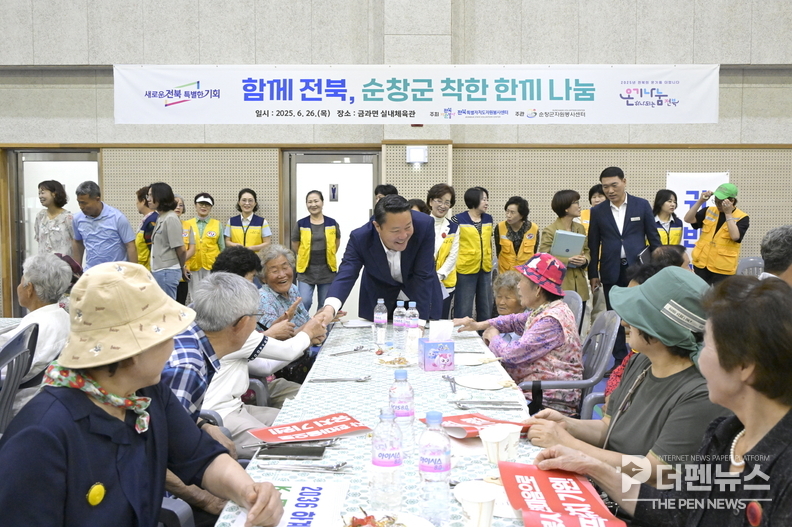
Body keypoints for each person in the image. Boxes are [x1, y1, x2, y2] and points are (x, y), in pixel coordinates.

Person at [0, 262, 284, 527]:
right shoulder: (41, 436)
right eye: (167, 336)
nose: (174, 346)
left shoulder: (145, 395)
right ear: (133, 350)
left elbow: (202, 457)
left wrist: (249, 491)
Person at [535, 276, 792, 526]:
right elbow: (677, 509)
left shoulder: (783, 472)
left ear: (745, 366)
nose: (697, 356)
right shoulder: (725, 435)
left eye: (706, 345)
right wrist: (592, 464)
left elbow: (660, 475)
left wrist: (575, 448)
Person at [527, 266, 731, 487]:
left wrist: (570, 444)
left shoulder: (700, 394)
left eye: (637, 317)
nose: (625, 322)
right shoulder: (642, 361)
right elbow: (610, 427)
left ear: (660, 332)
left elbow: (656, 472)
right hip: (608, 485)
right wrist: (566, 424)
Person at [457, 254, 583, 416]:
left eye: (523, 280)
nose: (518, 286)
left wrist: (493, 336)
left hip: (546, 400)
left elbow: (510, 355)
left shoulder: (551, 321)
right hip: (533, 389)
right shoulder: (546, 310)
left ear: (537, 289)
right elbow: (514, 320)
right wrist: (479, 325)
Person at [315, 194, 443, 323]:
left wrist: (419, 322)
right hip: (381, 303)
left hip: (420, 299)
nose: (403, 236)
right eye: (395, 230)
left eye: (408, 227)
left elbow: (423, 274)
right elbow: (346, 274)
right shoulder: (361, 238)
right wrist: (330, 308)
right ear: (377, 227)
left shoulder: (424, 225)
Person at [588, 167, 661, 365]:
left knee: (640, 312)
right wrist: (593, 273)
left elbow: (654, 239)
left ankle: (643, 358)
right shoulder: (597, 211)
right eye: (605, 187)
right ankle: (620, 360)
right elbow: (593, 244)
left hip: (638, 269)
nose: (610, 190)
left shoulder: (641, 205)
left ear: (624, 182)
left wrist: (658, 268)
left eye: (614, 185)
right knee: (614, 315)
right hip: (610, 269)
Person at [0, 253, 71, 415]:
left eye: (21, 282)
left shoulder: (34, 329)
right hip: (47, 400)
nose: (18, 287)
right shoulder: (63, 317)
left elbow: (6, 372)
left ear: (29, 289)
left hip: (18, 404)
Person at [540, 190, 590, 333]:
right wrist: (567, 260)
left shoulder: (580, 228)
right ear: (566, 208)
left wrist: (585, 259)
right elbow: (544, 256)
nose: (579, 206)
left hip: (580, 285)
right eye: (576, 203)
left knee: (577, 328)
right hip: (560, 285)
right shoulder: (550, 230)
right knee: (561, 329)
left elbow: (587, 250)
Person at [684, 183, 750, 285]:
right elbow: (688, 219)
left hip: (723, 269)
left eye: (721, 202)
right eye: (716, 201)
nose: (717, 205)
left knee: (720, 295)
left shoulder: (742, 217)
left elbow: (735, 236)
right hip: (701, 265)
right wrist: (700, 201)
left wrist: (728, 214)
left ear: (732, 201)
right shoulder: (709, 210)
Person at [290, 190, 340, 313]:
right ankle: (303, 325)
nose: (313, 204)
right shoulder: (301, 223)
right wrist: (304, 256)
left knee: (325, 304)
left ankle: (321, 326)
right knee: (304, 301)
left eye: (316, 201)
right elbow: (295, 244)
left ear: (322, 202)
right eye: (310, 202)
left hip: (327, 270)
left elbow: (336, 242)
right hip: (306, 270)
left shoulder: (332, 223)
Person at [71, 181, 137, 270]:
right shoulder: (77, 219)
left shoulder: (117, 218)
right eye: (79, 202)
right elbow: (77, 242)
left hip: (116, 271)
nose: (81, 207)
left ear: (97, 199)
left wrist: (133, 272)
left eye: (84, 203)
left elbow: (130, 245)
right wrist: (77, 270)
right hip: (92, 271)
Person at [452, 187, 494, 321]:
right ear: (474, 200)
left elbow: (489, 242)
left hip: (485, 268)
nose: (486, 203)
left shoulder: (488, 218)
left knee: (486, 306)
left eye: (487, 199)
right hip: (466, 268)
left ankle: (484, 332)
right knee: (463, 307)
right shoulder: (458, 219)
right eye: (483, 199)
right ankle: (461, 332)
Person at [147, 182, 188, 300]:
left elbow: (181, 249)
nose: (148, 199)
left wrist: (181, 266)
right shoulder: (161, 217)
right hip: (160, 270)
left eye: (151, 195)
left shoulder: (170, 218)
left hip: (167, 271)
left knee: (167, 307)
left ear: (160, 196)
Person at [427, 183, 460, 318]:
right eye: (439, 201)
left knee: (440, 320)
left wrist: (439, 276)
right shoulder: (421, 223)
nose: (443, 205)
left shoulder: (453, 227)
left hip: (444, 284)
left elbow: (453, 256)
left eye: (447, 202)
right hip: (423, 281)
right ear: (430, 202)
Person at [184, 192, 224, 297]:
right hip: (193, 266)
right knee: (195, 295)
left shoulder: (217, 224)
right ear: (195, 205)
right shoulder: (187, 224)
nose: (204, 207)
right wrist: (185, 265)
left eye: (207, 205)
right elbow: (184, 247)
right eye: (201, 204)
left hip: (211, 266)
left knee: (212, 295)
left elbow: (222, 247)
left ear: (211, 207)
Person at [495, 196, 539, 274]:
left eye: (512, 212)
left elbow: (534, 251)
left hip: (525, 273)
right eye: (507, 211)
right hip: (505, 274)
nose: (508, 215)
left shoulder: (533, 228)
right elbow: (498, 251)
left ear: (522, 215)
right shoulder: (499, 227)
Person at [34, 180, 73, 257]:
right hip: (44, 262)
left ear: (54, 194)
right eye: (39, 193)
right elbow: (39, 240)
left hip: (63, 263)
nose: (40, 196)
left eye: (42, 193)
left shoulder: (68, 217)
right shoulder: (40, 216)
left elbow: (76, 242)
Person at [174, 195, 197, 304]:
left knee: (181, 302)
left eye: (181, 205)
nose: (178, 207)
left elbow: (192, 248)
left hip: (184, 272)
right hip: (169, 270)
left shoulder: (187, 225)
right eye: (175, 205)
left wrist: (181, 263)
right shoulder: (163, 224)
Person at [135, 185, 158, 269]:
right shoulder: (147, 220)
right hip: (143, 267)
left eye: (137, 202)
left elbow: (153, 249)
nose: (136, 204)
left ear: (143, 201)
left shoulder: (152, 221)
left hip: (149, 269)